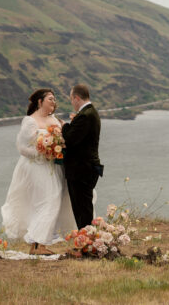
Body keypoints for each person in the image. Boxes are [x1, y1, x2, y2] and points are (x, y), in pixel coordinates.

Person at [0, 88, 76, 255]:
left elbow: (63, 139)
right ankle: (38, 243)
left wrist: (59, 147)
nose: (53, 102)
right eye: (50, 99)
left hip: (54, 166)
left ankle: (37, 243)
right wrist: (43, 152)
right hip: (36, 166)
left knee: (53, 200)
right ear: (40, 102)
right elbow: (22, 148)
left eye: (54, 99)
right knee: (48, 200)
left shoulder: (55, 120)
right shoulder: (30, 121)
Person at [61, 83, 102, 229]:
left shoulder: (85, 115)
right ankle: (87, 243)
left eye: (71, 99)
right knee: (83, 208)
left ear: (77, 98)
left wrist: (64, 125)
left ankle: (87, 244)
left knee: (82, 210)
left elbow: (70, 140)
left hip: (81, 169)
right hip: (86, 168)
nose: (72, 103)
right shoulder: (90, 113)